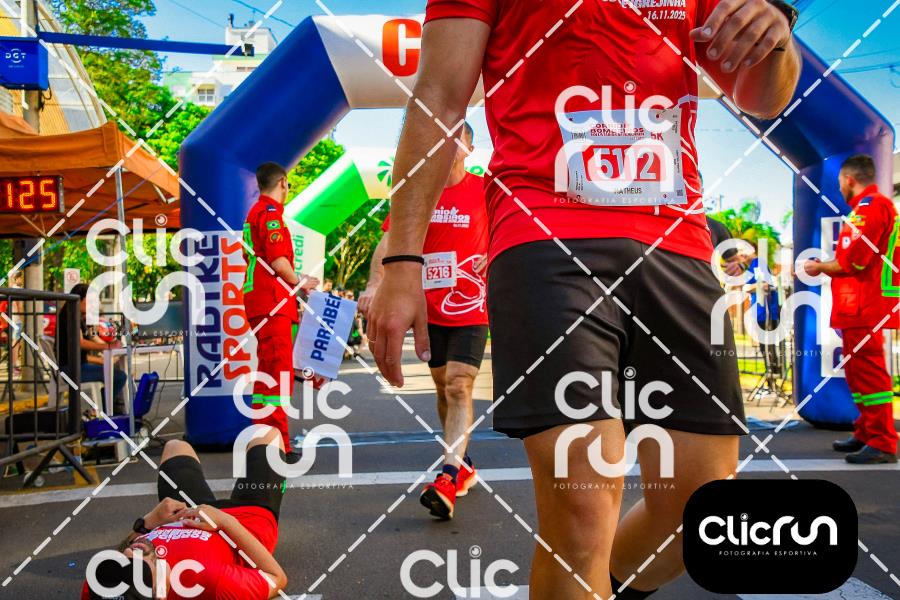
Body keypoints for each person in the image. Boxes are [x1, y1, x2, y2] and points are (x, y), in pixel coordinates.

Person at [366, 0, 800, 597]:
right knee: (582, 509)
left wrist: (777, 36)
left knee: (698, 516)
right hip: (544, 234)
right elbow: (438, 98)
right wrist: (400, 261)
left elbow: (764, 98)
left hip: (676, 241)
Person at [360, 122, 489, 520]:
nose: (449, 146)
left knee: (458, 384)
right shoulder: (417, 194)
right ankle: (462, 463)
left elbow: (513, 225)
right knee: (442, 386)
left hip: (471, 305)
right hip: (428, 309)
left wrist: (496, 251)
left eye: (457, 140)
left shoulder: (486, 189)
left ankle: (447, 476)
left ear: (470, 148)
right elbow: (388, 241)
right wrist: (375, 284)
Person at [81, 425, 288, 599]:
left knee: (175, 446)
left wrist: (146, 524)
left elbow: (123, 557)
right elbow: (276, 577)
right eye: (135, 566)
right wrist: (224, 521)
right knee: (268, 434)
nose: (127, 552)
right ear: (160, 592)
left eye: (119, 562)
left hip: (185, 511)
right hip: (245, 518)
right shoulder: (209, 582)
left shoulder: (99, 585)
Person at [803, 154, 899, 465]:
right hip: (857, 306)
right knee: (858, 374)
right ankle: (867, 431)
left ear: (849, 180)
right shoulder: (871, 208)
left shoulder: (871, 208)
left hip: (864, 306)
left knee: (869, 375)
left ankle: (882, 441)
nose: (840, 188)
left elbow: (852, 261)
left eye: (840, 183)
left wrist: (818, 267)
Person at [242, 162, 319, 454]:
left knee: (267, 375)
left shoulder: (256, 213)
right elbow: (278, 261)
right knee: (277, 375)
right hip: (272, 302)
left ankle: (264, 441)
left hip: (263, 301)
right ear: (283, 183)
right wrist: (302, 282)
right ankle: (277, 447)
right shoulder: (270, 214)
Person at [57, 283, 127, 414]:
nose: (92, 304)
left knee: (115, 372)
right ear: (80, 299)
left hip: (76, 366)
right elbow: (80, 343)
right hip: (71, 370)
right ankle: (107, 411)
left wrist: (111, 348)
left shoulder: (76, 314)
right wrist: (107, 347)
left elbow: (93, 337)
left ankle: (109, 409)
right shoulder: (70, 315)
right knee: (119, 376)